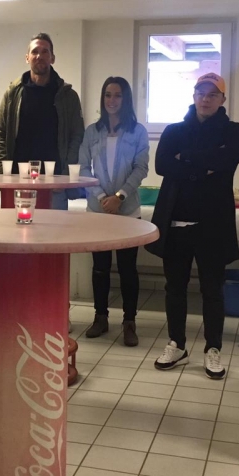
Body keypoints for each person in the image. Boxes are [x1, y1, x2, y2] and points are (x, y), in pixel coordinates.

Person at [146, 73, 239, 380]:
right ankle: (177, 344)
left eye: (213, 94)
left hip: (212, 226)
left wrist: (186, 158)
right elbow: (162, 165)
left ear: (222, 100)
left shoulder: (235, 131)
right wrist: (205, 167)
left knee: (212, 290)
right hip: (175, 222)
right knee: (174, 288)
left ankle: (213, 348)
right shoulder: (174, 130)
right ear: (193, 96)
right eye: (201, 93)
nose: (206, 99)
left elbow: (227, 160)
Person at [79, 77, 149, 347]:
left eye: (117, 95)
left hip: (127, 210)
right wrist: (101, 197)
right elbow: (83, 168)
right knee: (100, 268)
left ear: (126, 98)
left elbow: (141, 168)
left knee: (128, 269)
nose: (112, 100)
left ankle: (129, 322)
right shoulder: (91, 132)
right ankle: (100, 317)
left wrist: (119, 197)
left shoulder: (138, 132)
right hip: (97, 211)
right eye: (108, 94)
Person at [0, 32, 84, 209]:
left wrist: (66, 174)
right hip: (17, 181)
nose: (39, 56)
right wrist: (2, 171)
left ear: (52, 58)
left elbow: (77, 136)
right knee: (14, 227)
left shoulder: (68, 96)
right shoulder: (13, 94)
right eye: (35, 51)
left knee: (54, 227)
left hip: (55, 183)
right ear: (27, 57)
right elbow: (0, 132)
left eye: (45, 52)